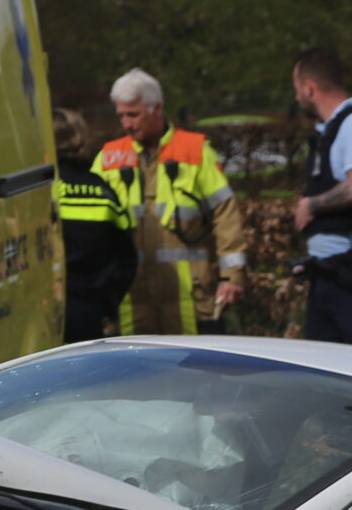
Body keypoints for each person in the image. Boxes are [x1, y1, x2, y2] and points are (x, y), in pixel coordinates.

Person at [96, 69, 247, 336]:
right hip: (130, 298)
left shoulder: (195, 150)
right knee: (136, 373)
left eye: (133, 114)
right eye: (121, 115)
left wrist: (232, 275)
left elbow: (225, 213)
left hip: (189, 295)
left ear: (158, 108)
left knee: (195, 372)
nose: (127, 124)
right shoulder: (110, 157)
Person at [287, 47, 352, 349]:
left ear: (310, 88)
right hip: (331, 274)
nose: (296, 98)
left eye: (297, 89)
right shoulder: (330, 130)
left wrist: (312, 204)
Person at [53, 108, 134, 344]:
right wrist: (108, 303)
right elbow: (127, 258)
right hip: (91, 313)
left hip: (46, 310)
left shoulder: (41, 190)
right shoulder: (102, 190)